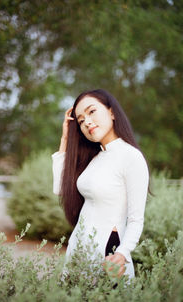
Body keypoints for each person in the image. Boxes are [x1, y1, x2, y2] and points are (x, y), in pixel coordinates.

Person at [51, 89, 149, 281]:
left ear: (111, 112)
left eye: (92, 112)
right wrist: (64, 139)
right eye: (80, 120)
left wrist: (121, 254)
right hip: (78, 250)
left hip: (108, 257)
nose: (86, 121)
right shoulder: (95, 158)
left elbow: (136, 220)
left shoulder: (131, 157)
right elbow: (60, 189)